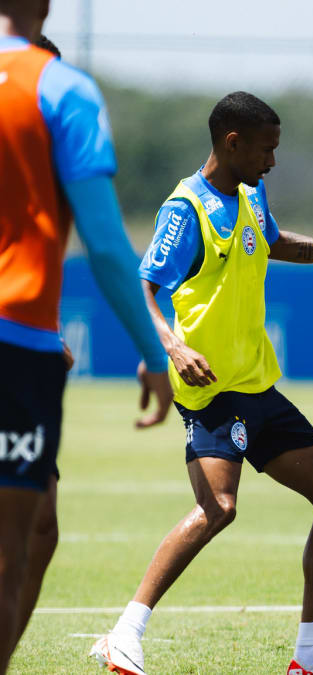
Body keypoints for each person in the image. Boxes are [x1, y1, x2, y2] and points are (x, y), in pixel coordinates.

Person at [88, 91, 313, 675]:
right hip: (212, 390)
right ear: (231, 142)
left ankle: (310, 657)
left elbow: (275, 242)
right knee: (218, 507)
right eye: (266, 149)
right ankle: (123, 633)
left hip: (256, 385)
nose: (273, 161)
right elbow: (145, 287)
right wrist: (172, 344)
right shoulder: (186, 209)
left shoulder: (250, 194)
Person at [0, 1, 175, 671]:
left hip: (27, 341)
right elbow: (104, 243)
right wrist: (154, 352)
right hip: (13, 343)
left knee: (40, 528)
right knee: (16, 546)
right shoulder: (59, 88)